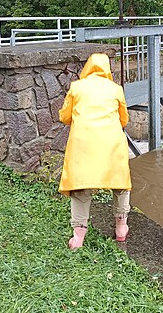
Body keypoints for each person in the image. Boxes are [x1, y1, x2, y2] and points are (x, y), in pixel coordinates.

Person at [58, 53, 132, 250]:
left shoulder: (76, 87)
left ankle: (78, 238)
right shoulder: (116, 89)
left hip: (84, 144)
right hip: (112, 144)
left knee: (81, 188)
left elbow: (65, 117)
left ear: (87, 67)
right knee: (120, 184)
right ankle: (121, 228)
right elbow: (124, 120)